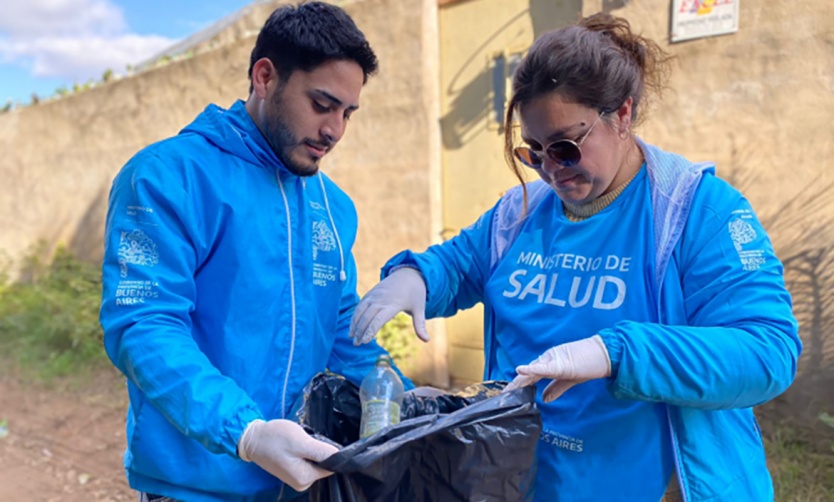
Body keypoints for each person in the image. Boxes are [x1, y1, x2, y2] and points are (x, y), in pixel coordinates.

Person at [349, 13, 801, 502]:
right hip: (521, 481)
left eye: (565, 148)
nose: (551, 171)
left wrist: (618, 353)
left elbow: (766, 351)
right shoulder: (519, 215)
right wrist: (417, 276)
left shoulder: (697, 212)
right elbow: (458, 265)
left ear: (622, 115)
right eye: (534, 153)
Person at [100, 3, 412, 501]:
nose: (335, 130)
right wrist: (247, 433)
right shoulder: (167, 177)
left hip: (302, 482)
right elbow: (145, 326)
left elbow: (340, 332)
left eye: (347, 112)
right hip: (196, 486)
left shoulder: (333, 207)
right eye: (322, 103)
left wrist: (411, 400)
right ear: (265, 77)